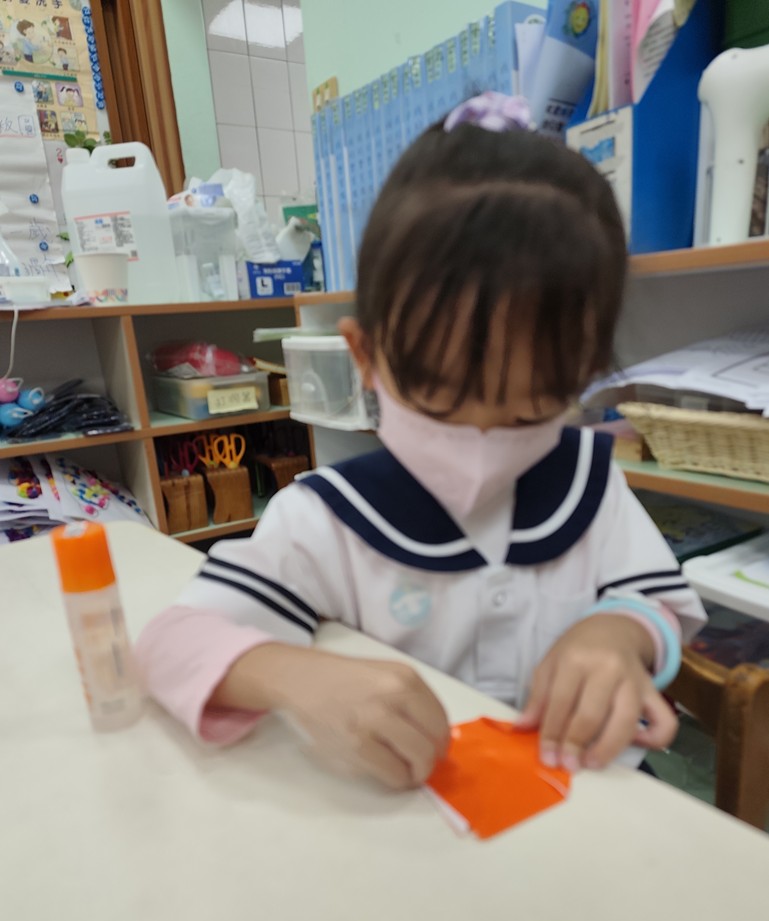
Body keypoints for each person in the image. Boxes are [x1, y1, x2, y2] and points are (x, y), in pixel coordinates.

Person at [137, 92, 705, 789]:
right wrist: (297, 677)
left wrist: (619, 633)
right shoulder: (325, 520)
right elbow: (168, 643)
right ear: (366, 356)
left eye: (530, 406)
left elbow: (662, 602)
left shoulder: (589, 483)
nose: (482, 438)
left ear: (584, 372)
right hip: (417, 813)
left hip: (589, 802)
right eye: (440, 395)